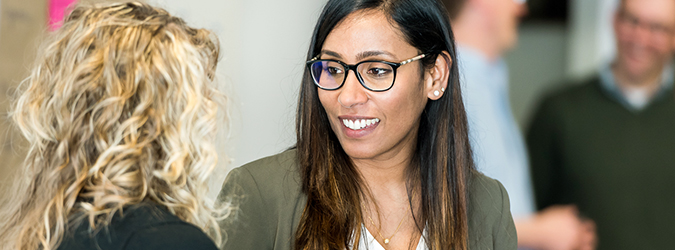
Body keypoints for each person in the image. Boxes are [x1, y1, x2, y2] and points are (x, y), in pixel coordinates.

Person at [218, 0, 516, 249]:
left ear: (435, 76)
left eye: (376, 70)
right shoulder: (259, 193)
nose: (347, 96)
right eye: (333, 68)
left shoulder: (487, 204)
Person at [0, 2, 229, 250]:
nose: (211, 110)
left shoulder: (42, 231)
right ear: (161, 117)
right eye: (199, 94)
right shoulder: (173, 241)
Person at [443, 0, 597, 249]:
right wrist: (542, 231)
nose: (522, 8)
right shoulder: (447, 87)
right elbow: (440, 213)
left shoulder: (486, 82)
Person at [526, 0, 675, 249]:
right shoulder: (558, 111)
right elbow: (527, 216)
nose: (641, 37)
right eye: (633, 21)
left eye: (657, 28)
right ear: (615, 20)